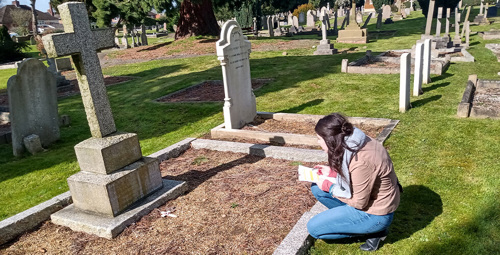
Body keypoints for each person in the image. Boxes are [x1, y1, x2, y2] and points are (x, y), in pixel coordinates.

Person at [307, 113, 401, 251]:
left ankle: (375, 231)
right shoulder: (356, 141)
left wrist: (330, 187)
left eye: (319, 139)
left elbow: (359, 202)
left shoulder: (361, 161)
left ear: (331, 140)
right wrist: (331, 172)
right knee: (317, 188)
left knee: (314, 228)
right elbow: (356, 176)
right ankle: (352, 221)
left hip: (375, 213)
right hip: (369, 199)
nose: (317, 142)